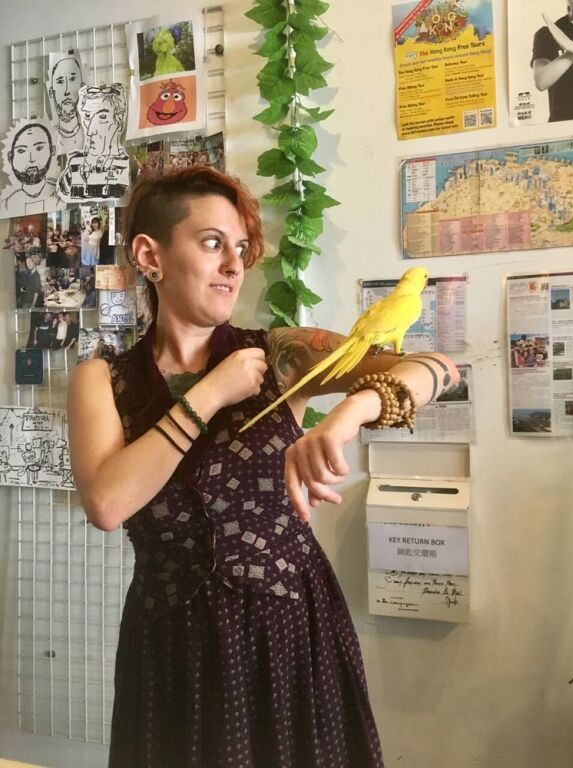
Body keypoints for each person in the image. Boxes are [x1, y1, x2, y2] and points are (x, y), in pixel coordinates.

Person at [68, 166, 459, 768]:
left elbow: (438, 368)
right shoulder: (103, 379)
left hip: (289, 634)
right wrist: (209, 395)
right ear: (150, 256)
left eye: (241, 247)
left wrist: (347, 415)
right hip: (174, 646)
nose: (234, 265)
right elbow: (107, 503)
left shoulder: (281, 355)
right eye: (212, 243)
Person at [532, 2, 573, 122]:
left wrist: (569, 45)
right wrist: (572, 50)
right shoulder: (547, 33)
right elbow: (541, 82)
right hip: (561, 126)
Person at [48, 54, 84, 153]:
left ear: (82, 87)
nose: (67, 91)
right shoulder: (48, 140)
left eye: (72, 79)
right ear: (51, 93)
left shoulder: (92, 134)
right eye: (60, 82)